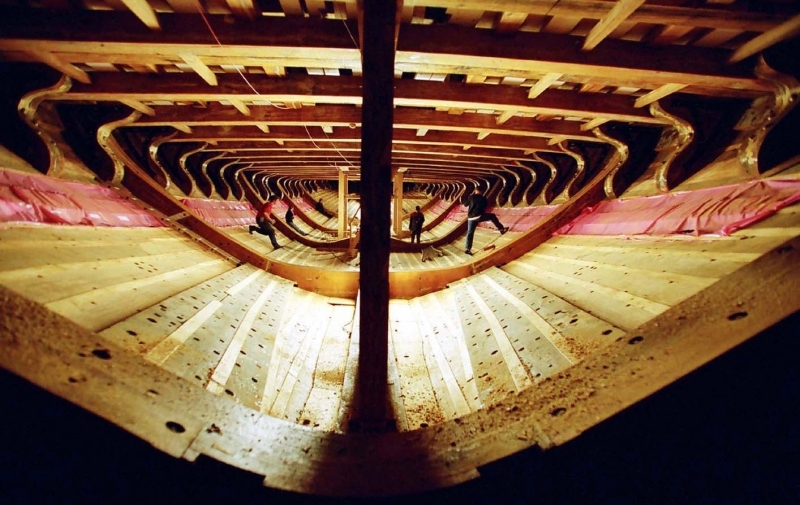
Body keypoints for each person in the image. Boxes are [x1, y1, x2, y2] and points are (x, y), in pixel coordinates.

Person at [463, 188, 508, 255]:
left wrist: (470, 197)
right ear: (481, 191)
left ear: (475, 191)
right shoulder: (483, 198)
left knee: (470, 232)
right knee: (492, 216)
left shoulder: (471, 197)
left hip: (470, 218)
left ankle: (467, 249)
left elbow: (465, 204)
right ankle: (501, 229)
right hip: (479, 216)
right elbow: (485, 207)